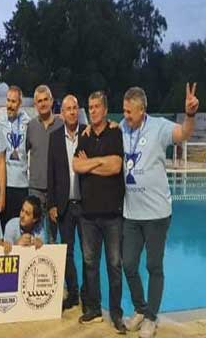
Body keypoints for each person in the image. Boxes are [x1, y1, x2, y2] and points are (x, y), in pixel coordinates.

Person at [121, 85, 199, 338]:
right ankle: (140, 309)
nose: (125, 115)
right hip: (131, 213)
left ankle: (151, 317)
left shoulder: (159, 127)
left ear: (142, 110)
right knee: (128, 264)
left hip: (156, 213)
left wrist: (189, 115)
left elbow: (184, 133)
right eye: (124, 111)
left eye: (129, 111)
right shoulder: (122, 128)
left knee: (154, 266)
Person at [73, 91, 126, 333]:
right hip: (88, 214)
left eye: (96, 107)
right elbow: (77, 165)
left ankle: (116, 313)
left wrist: (91, 163)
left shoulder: (115, 133)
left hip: (112, 214)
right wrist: (100, 161)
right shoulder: (84, 136)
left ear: (105, 110)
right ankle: (94, 309)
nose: (93, 110)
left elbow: (115, 167)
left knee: (114, 265)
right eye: (90, 107)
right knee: (90, 263)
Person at [47, 95, 86, 312]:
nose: (71, 112)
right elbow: (51, 173)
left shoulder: (88, 134)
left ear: (78, 110)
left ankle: (89, 295)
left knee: (89, 253)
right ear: (61, 114)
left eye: (74, 108)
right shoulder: (54, 138)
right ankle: (73, 293)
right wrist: (52, 204)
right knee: (67, 253)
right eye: (67, 109)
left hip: (86, 204)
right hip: (64, 206)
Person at [26, 84, 63, 243]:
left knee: (53, 237)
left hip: (56, 189)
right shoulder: (31, 126)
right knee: (35, 236)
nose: (43, 104)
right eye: (39, 101)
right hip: (35, 189)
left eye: (45, 99)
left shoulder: (62, 124)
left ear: (51, 101)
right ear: (35, 105)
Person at [0, 85, 31, 227]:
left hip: (22, 185)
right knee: (3, 227)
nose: (10, 105)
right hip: (4, 186)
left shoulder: (28, 122)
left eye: (13, 101)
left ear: (20, 103)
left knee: (20, 228)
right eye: (8, 100)